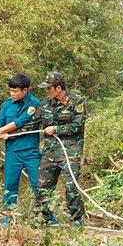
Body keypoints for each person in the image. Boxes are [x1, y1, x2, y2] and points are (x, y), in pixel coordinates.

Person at [0, 74, 41, 225]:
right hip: (12, 151)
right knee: (10, 185)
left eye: (15, 91)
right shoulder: (8, 103)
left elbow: (18, 123)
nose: (12, 94)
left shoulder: (34, 104)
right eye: (10, 91)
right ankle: (7, 218)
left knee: (38, 184)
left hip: (30, 151)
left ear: (25, 90)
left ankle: (45, 217)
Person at [35, 72, 87, 227]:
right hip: (50, 152)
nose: (47, 91)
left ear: (58, 88)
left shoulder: (77, 101)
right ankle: (43, 218)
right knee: (44, 186)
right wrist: (8, 133)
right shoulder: (45, 105)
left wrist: (56, 128)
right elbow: (32, 123)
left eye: (49, 88)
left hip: (70, 151)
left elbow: (78, 125)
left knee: (71, 186)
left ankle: (76, 219)